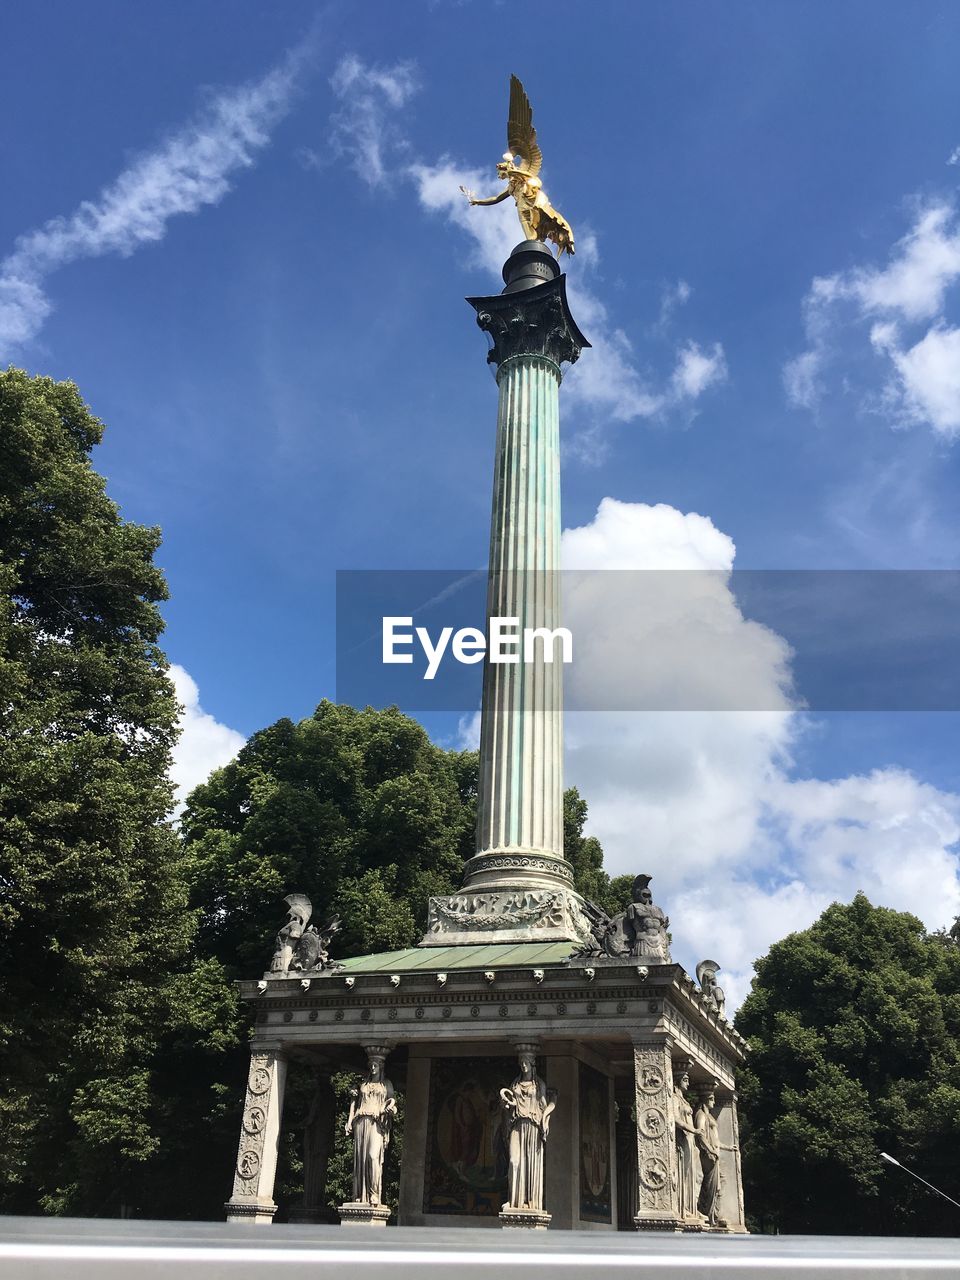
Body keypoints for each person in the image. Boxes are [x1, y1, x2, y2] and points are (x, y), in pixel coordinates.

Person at [500, 1055, 557, 1212]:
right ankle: (513, 1200)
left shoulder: (539, 1085)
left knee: (530, 1163)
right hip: (517, 1126)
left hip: (532, 1126)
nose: (524, 1066)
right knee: (514, 1161)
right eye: (522, 1063)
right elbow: (510, 1105)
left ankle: (529, 1202)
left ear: (532, 1065)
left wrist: (545, 1119)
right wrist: (508, 1106)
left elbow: (544, 1106)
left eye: (526, 1063)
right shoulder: (516, 1084)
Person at [344, 1052, 397, 1206]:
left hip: (376, 1122)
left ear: (381, 1067)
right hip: (360, 1121)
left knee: (373, 1156)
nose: (373, 1068)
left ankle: (374, 1194)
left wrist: (391, 1109)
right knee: (360, 1158)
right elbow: (355, 1104)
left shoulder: (386, 1084)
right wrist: (349, 1122)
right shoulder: (364, 1085)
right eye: (371, 1065)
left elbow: (392, 1102)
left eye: (376, 1065)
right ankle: (360, 1196)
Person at [672, 1067, 702, 1221]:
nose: (688, 1083)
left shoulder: (683, 1099)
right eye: (685, 1080)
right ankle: (682, 1207)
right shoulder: (675, 1098)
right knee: (683, 1173)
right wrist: (694, 1130)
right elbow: (676, 1119)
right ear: (677, 1081)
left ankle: (691, 1207)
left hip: (690, 1140)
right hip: (684, 1138)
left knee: (695, 1174)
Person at [695, 1089, 726, 1227]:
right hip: (708, 1155)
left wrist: (729, 1148)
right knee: (709, 1185)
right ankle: (707, 1214)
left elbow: (715, 1138)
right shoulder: (701, 1115)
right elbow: (701, 1134)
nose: (714, 1101)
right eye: (711, 1098)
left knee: (716, 1186)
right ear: (705, 1099)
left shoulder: (709, 1116)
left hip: (713, 1154)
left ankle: (713, 1215)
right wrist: (711, 1150)